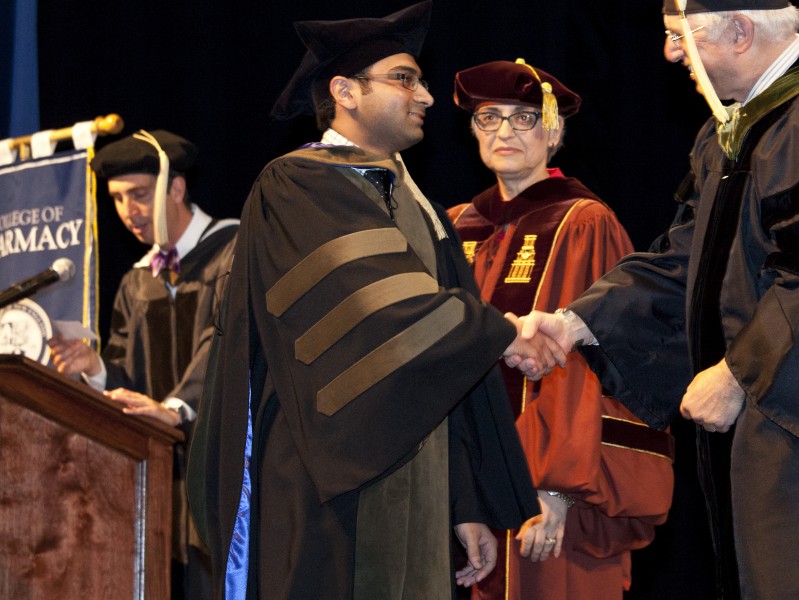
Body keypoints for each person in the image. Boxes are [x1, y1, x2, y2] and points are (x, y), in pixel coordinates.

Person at [518, 1, 799, 597]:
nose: (670, 53)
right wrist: (575, 323)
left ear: (739, 31)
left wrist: (739, 373)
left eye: (678, 36)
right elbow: (688, 257)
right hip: (765, 431)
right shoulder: (731, 130)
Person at [185, 3, 560, 599]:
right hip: (326, 480)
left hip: (416, 477)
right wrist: (504, 332)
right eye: (405, 79)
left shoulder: (420, 206)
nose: (428, 97)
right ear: (345, 91)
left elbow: (439, 367)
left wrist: (462, 500)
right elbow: (380, 312)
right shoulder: (299, 183)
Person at [446, 59, 675, 600]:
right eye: (489, 118)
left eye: (523, 118)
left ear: (553, 131)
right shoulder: (455, 226)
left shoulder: (583, 222)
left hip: (550, 485)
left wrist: (558, 488)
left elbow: (598, 364)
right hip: (467, 491)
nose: (504, 131)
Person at [48, 129, 236, 600]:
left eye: (138, 194)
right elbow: (127, 377)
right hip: (161, 486)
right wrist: (94, 367)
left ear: (175, 187)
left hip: (225, 472)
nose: (128, 212)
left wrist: (175, 408)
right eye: (116, 199)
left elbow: (226, 342)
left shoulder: (234, 250)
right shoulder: (137, 282)